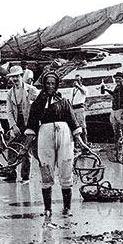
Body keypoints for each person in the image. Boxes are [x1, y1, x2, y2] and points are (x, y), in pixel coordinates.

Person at [22, 72, 90, 217]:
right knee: (46, 170)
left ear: (57, 85)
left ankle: (67, 208)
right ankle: (47, 209)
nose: (50, 86)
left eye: (53, 83)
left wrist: (81, 143)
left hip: (65, 136)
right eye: (48, 83)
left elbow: (73, 123)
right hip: (45, 137)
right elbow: (32, 126)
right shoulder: (37, 104)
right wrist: (25, 147)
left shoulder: (64, 102)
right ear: (44, 84)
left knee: (66, 168)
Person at [4, 65, 39, 183]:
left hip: (29, 124)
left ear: (21, 76)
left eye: (17, 76)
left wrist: (33, 126)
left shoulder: (31, 90)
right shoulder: (9, 93)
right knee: (11, 148)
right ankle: (11, 174)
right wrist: (13, 126)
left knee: (26, 150)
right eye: (12, 77)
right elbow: (9, 111)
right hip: (16, 123)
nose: (15, 79)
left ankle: (25, 177)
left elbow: (38, 107)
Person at [101, 72, 123, 142]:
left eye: (119, 78)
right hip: (114, 110)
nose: (117, 80)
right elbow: (114, 94)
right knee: (116, 129)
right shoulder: (117, 87)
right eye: (116, 79)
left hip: (120, 110)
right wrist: (106, 90)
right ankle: (118, 146)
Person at [70, 74, 89, 145]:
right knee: (75, 125)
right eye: (75, 80)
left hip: (79, 108)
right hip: (73, 108)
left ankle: (85, 142)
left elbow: (84, 93)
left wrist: (78, 86)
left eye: (78, 80)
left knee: (82, 125)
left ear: (81, 80)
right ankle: (77, 143)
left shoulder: (84, 88)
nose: (76, 82)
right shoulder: (73, 89)